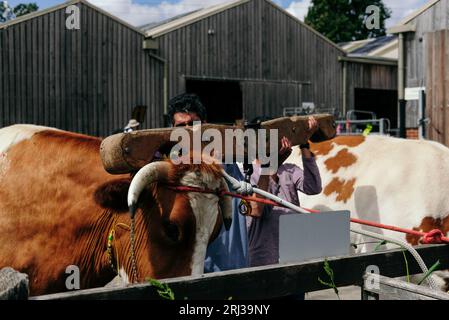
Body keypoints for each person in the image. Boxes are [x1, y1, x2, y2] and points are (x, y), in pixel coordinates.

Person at [166, 93, 249, 272]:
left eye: (194, 124)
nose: (188, 131)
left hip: (233, 265)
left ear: (205, 126)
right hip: (194, 270)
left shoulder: (226, 158)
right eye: (181, 126)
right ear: (172, 130)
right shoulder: (170, 172)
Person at [246, 116, 322, 268]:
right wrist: (273, 164)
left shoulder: (290, 170)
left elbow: (313, 187)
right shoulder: (247, 173)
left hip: (293, 255)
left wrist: (304, 143)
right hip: (263, 256)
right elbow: (258, 210)